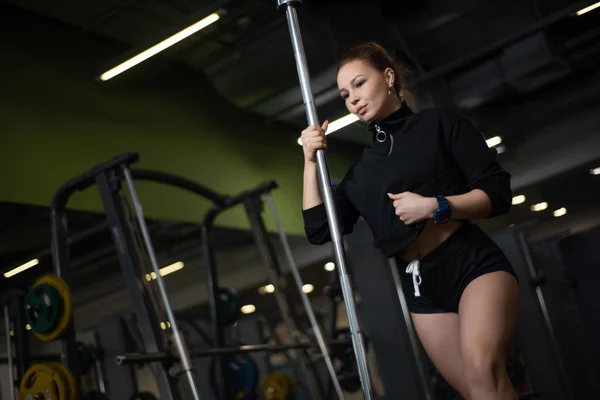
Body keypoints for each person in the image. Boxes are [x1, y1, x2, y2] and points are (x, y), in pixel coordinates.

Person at [301, 42, 519, 400]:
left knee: (484, 371)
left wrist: (435, 206)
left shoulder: (439, 124)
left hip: (471, 264)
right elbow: (319, 228)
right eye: (343, 94)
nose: (352, 98)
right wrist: (309, 160)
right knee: (477, 392)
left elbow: (497, 194)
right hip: (420, 286)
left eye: (359, 83)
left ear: (388, 77)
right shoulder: (362, 172)